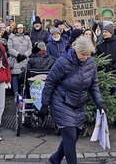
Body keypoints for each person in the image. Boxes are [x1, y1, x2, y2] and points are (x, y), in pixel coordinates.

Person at [40, 36, 105, 164]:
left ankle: (56, 158)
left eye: (88, 54)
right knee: (70, 138)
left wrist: (99, 102)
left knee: (73, 137)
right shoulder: (63, 62)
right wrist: (44, 104)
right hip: (62, 102)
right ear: (76, 50)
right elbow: (50, 82)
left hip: (79, 104)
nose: (86, 57)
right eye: (83, 54)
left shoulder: (91, 63)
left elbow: (94, 85)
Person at [96, 23, 116, 95]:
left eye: (106, 32)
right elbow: (97, 58)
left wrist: (114, 66)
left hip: (115, 75)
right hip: (103, 75)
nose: (104, 34)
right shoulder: (100, 45)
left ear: (111, 33)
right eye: (103, 32)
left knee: (115, 94)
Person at [7, 23, 32, 96]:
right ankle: (16, 92)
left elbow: (30, 48)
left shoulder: (27, 37)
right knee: (15, 77)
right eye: (19, 28)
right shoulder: (12, 37)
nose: (20, 29)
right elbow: (10, 48)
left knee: (24, 77)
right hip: (15, 59)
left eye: (21, 28)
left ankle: (23, 93)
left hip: (24, 59)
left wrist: (25, 55)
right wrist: (17, 55)